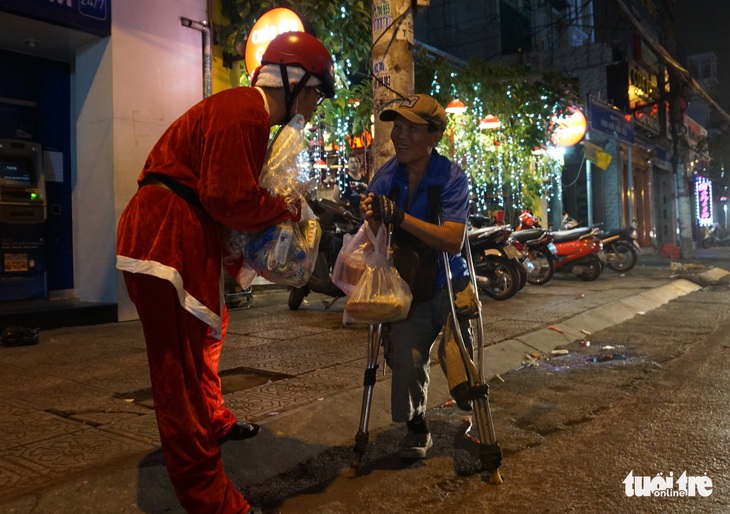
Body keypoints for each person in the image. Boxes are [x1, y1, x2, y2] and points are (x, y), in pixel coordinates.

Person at [116, 31, 335, 513]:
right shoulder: (246, 111)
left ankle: (214, 421)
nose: (317, 104)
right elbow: (228, 198)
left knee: (209, 339)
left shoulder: (244, 111)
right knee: (180, 374)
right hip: (168, 234)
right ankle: (209, 499)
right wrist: (287, 208)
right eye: (319, 91)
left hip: (178, 231)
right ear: (296, 81)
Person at [360, 94, 478, 459]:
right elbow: (375, 234)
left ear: (435, 136)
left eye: (412, 128)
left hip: (448, 281)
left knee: (459, 365)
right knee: (407, 362)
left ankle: (470, 402)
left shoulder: (451, 177)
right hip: (409, 285)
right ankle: (417, 425)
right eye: (397, 127)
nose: (400, 136)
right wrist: (373, 215)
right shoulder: (386, 176)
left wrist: (399, 217)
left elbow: (454, 240)